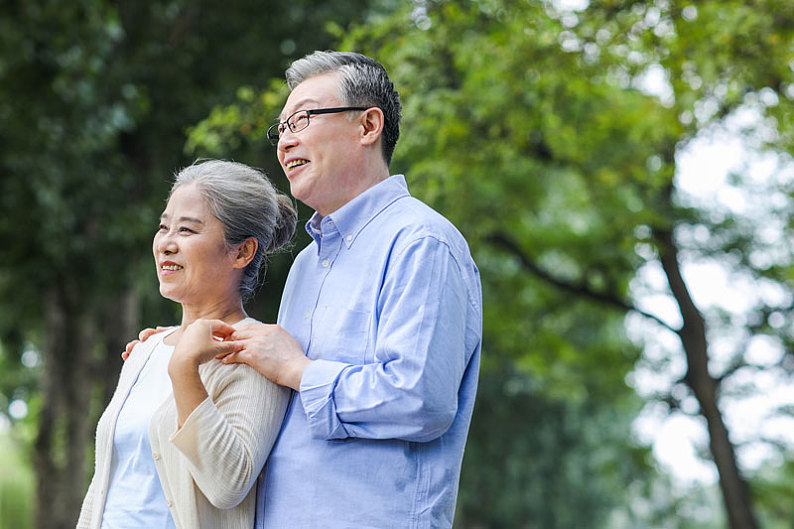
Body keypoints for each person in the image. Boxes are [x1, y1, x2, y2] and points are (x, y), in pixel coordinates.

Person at [222, 50, 483, 528]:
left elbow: (420, 399)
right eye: (280, 129)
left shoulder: (421, 242)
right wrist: (179, 346)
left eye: (301, 119)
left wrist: (301, 371)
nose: (285, 141)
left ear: (368, 127)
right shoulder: (305, 264)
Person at [78, 159, 297, 529]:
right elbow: (107, 487)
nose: (166, 244)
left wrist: (183, 370)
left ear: (241, 252)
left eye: (187, 230)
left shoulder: (255, 355)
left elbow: (228, 485)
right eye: (164, 227)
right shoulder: (146, 349)